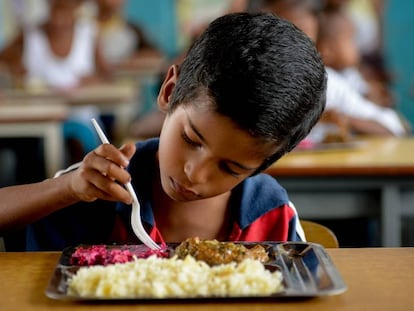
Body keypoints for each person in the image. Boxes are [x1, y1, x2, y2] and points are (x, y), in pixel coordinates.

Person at [0, 12, 327, 251]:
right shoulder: (99, 187)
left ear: (262, 165)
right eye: (191, 139)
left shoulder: (270, 213)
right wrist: (67, 188)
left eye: (230, 168)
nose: (193, 173)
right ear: (170, 91)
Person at [261, 0, 408, 141]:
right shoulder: (254, 81)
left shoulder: (328, 85)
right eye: (277, 32)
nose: (290, 44)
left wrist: (342, 119)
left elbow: (393, 127)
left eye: (305, 35)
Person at [0, 0, 112, 164]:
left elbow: (107, 74)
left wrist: (92, 80)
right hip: (35, 116)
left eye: (65, 11)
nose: (59, 19)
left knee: (81, 141)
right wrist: (15, 69)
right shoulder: (30, 34)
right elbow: (4, 60)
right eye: (55, 10)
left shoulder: (88, 33)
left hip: (78, 114)